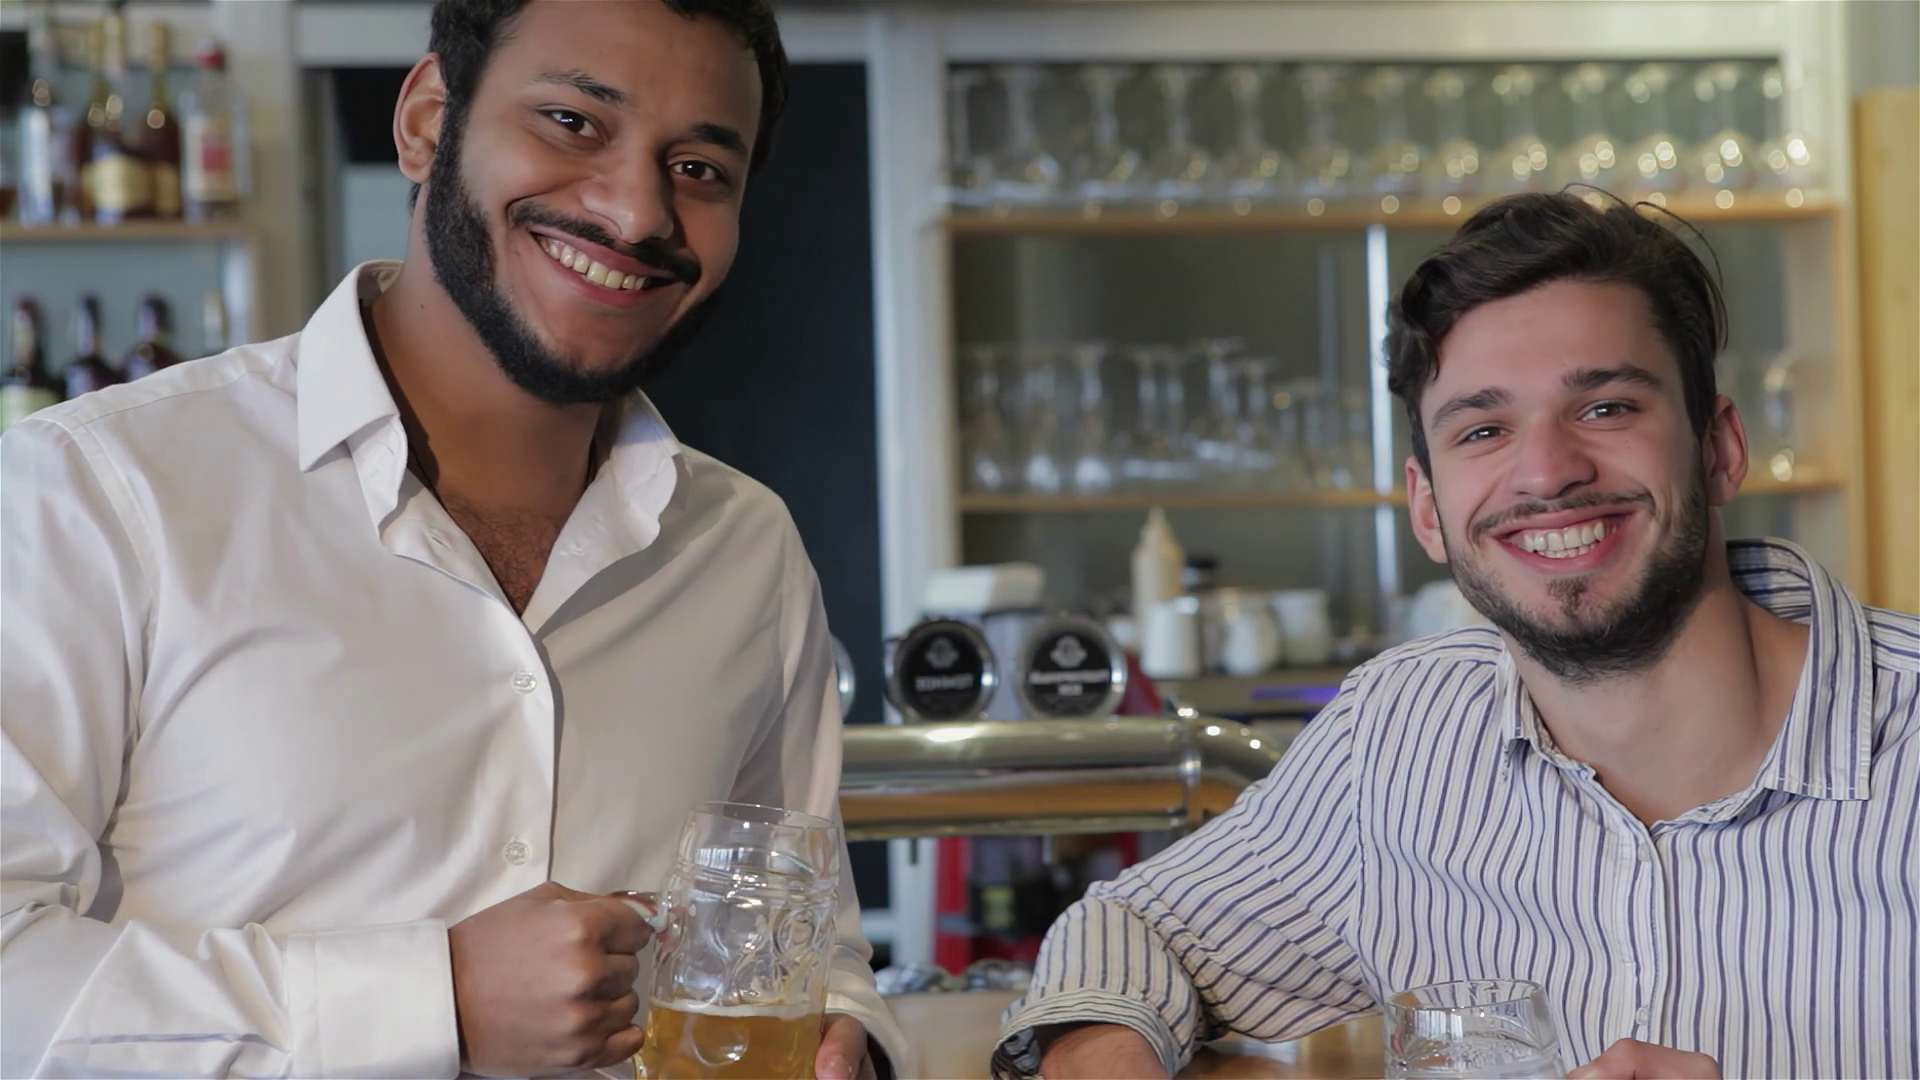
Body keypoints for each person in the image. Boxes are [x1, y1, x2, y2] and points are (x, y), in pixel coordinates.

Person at [0, 1, 906, 1077]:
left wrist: (852, 1039)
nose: (635, 212)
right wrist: (438, 1001)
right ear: (429, 118)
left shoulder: (744, 549)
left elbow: (812, 947)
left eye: (700, 169)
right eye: (574, 121)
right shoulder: (93, 492)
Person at [993, 192, 1919, 1080]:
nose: (1546, 472)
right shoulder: (1396, 736)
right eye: (1482, 429)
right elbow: (1131, 936)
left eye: (1606, 407)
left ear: (1718, 449)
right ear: (1429, 510)